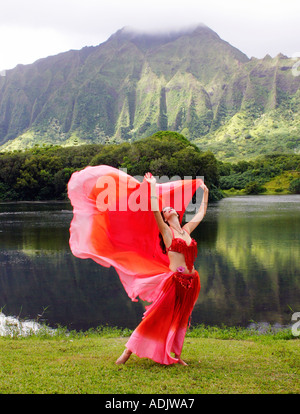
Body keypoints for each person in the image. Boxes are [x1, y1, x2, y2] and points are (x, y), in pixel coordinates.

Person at [116, 172, 209, 365]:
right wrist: (151, 186)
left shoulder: (187, 230)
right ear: (166, 218)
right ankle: (127, 352)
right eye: (166, 209)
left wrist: (205, 194)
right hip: (175, 281)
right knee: (157, 315)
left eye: (170, 208)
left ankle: (176, 355)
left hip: (192, 282)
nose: (168, 209)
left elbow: (201, 213)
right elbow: (154, 209)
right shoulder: (167, 232)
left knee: (181, 318)